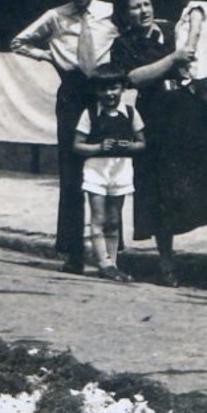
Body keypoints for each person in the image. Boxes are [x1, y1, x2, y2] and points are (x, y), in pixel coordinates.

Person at [110, 0, 207, 287]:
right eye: (135, 7)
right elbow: (133, 78)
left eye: (147, 3)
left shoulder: (174, 29)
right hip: (157, 116)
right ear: (124, 14)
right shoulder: (123, 44)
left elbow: (201, 52)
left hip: (192, 109)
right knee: (162, 188)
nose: (144, 11)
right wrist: (172, 60)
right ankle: (166, 261)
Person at [11, 0, 118, 273]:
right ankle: (72, 253)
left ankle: (112, 251)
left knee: (110, 170)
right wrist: (48, 55)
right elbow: (18, 41)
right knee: (72, 173)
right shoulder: (55, 17)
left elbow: (129, 41)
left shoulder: (112, 12)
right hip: (72, 93)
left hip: (104, 94)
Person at [72, 65, 146, 282]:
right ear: (96, 91)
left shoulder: (130, 112)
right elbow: (77, 145)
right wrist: (98, 147)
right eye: (103, 89)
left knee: (114, 219)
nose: (109, 94)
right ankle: (104, 263)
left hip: (121, 169)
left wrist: (128, 146)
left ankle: (112, 263)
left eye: (114, 88)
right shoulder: (90, 114)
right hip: (96, 170)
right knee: (99, 217)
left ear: (122, 88)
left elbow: (142, 143)